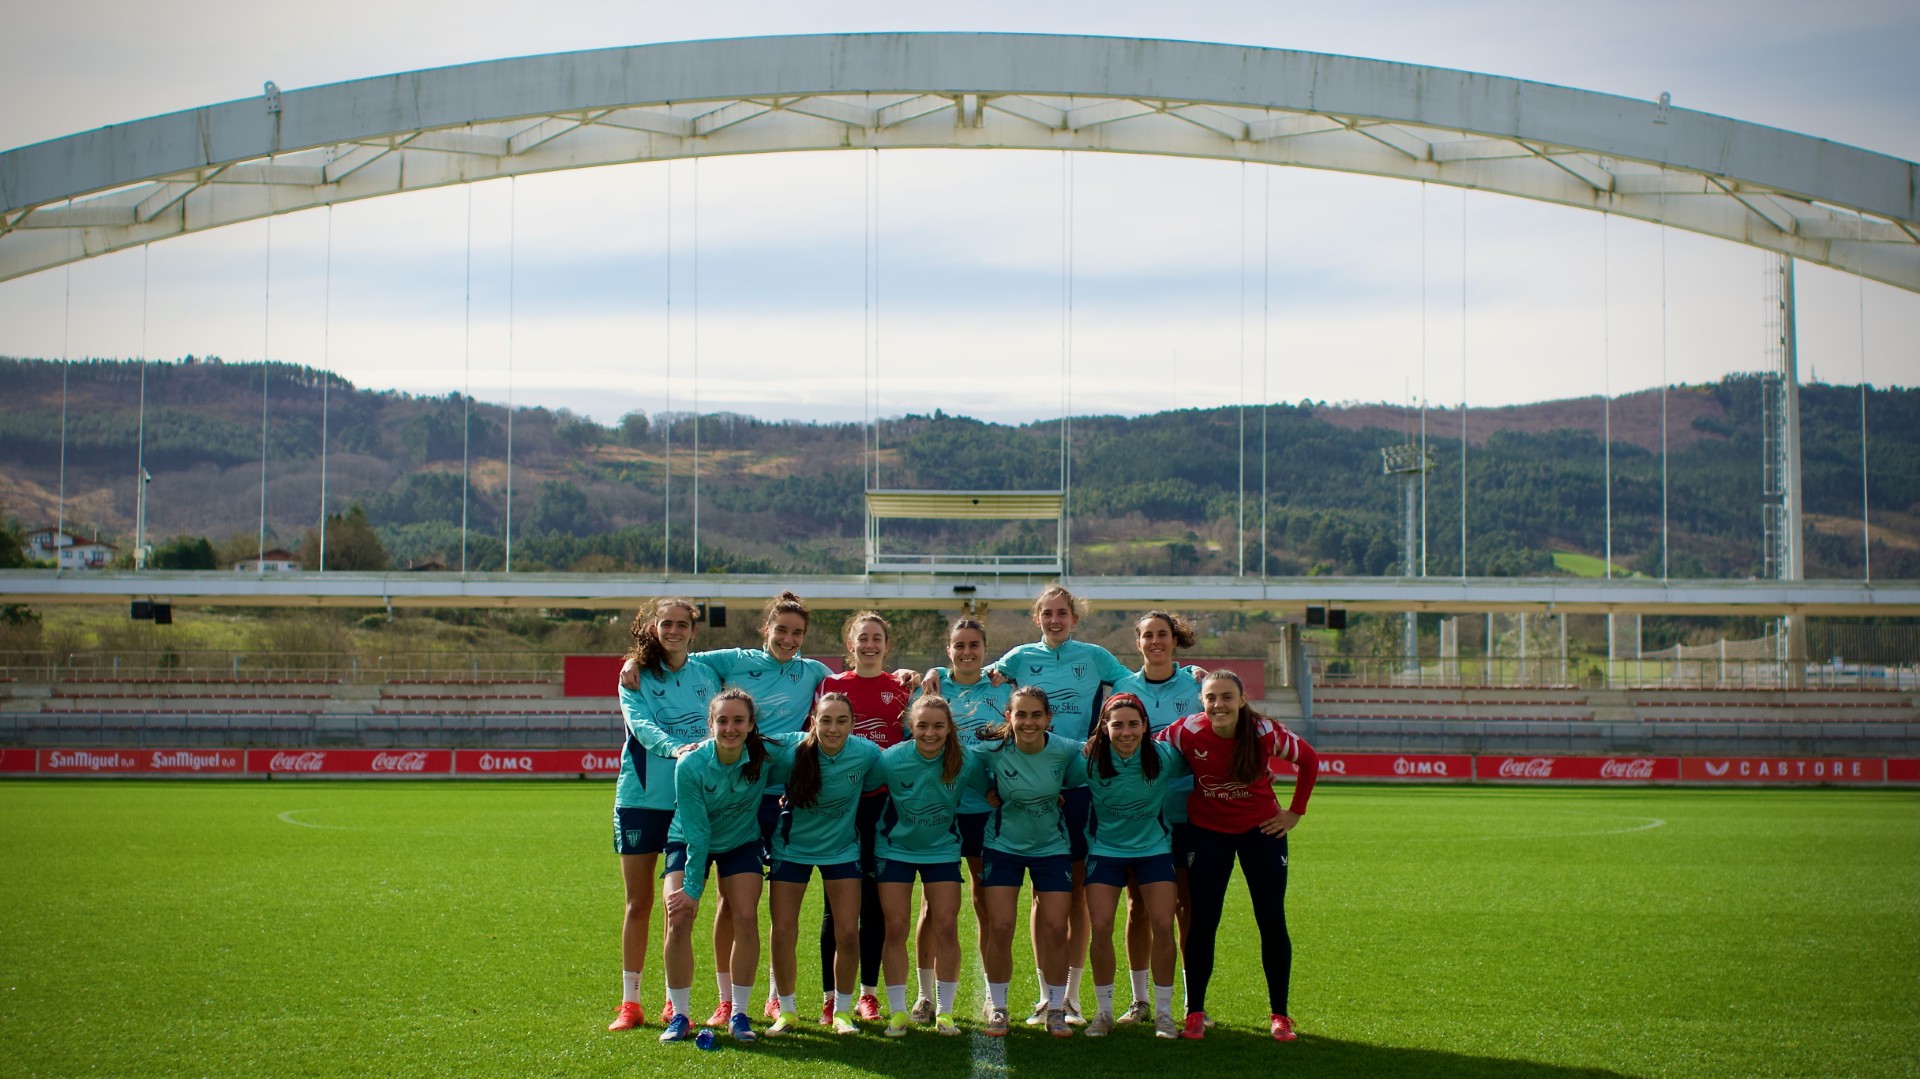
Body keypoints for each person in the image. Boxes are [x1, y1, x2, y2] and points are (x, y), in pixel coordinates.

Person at [983, 584, 1131, 1026]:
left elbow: (1129, 685)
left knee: (1076, 895)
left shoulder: (1095, 656)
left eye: (1062, 612)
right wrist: (931, 673)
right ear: (1037, 618)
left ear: (1074, 617)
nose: (1054, 619)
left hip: (1077, 779)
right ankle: (1044, 998)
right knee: (1038, 898)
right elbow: (979, 672)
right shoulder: (1019, 657)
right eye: (1046, 613)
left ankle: (1070, 996)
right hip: (1027, 779)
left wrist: (1190, 672)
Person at [1157, 669, 1319, 1042]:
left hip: (1261, 833)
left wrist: (1295, 812)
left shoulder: (1264, 732)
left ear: (1242, 700)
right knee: (1203, 921)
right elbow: (1146, 751)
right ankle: (1195, 1011)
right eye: (1211, 697)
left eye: (1227, 697)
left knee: (1271, 920)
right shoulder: (1185, 730)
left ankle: (1280, 1015)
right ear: (1202, 700)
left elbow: (1308, 760)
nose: (1219, 705)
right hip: (1207, 833)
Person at [609, 598, 719, 1032]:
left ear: (693, 631)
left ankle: (675, 1004)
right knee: (639, 904)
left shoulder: (707, 673)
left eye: (681, 625)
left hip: (686, 803)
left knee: (679, 906)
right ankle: (630, 1003)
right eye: (665, 624)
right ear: (652, 628)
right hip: (639, 799)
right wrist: (677, 748)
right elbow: (640, 725)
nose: (673, 631)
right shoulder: (635, 676)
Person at [658, 689, 792, 1044]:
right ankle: (680, 1014)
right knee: (679, 916)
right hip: (687, 841)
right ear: (710, 724)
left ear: (750, 726)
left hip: (741, 842)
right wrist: (691, 890)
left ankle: (739, 1013)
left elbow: (798, 740)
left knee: (746, 916)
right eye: (722, 720)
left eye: (738, 721)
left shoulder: (763, 755)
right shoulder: (691, 764)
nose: (730, 728)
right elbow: (698, 833)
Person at [1105, 610, 1205, 1024]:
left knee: (1186, 908)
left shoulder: (1197, 683)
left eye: (1162, 634)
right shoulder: (1124, 687)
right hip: (1140, 816)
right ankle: (1140, 1000)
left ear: (1174, 639)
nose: (1155, 642)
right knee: (1137, 909)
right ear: (1138, 642)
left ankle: (1189, 1003)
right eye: (1148, 636)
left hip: (1186, 812)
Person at [762, 692, 882, 1037]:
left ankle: (842, 1011)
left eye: (841, 720)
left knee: (847, 931)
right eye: (825, 720)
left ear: (853, 725)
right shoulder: (791, 751)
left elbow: (890, 775)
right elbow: (751, 764)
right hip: (791, 849)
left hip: (842, 850)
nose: (832, 728)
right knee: (783, 931)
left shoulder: (866, 754)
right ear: (813, 721)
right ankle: (786, 1011)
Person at [870, 696, 991, 1037]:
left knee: (946, 925)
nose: (930, 733)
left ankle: (945, 1011)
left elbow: (990, 791)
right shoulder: (890, 760)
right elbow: (860, 790)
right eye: (922, 725)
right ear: (911, 726)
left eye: (938, 726)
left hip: (941, 850)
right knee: (896, 927)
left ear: (949, 727)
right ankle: (897, 1012)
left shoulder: (965, 761)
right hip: (895, 849)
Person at [816, 611, 916, 1024]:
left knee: (874, 902)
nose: (870, 644)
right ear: (850, 644)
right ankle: (829, 996)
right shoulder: (831, 686)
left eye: (877, 638)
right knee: (835, 905)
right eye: (863, 638)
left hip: (882, 807)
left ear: (887, 645)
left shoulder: (902, 687)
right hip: (840, 805)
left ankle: (868, 994)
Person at [976, 686, 1088, 1038]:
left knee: (1057, 928)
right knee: (1001, 926)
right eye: (1020, 714)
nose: (1028, 722)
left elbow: (1086, 776)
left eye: (1036, 715)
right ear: (1008, 717)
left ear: (1048, 718)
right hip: (1002, 847)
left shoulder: (1066, 751)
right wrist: (986, 791)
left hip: (1052, 848)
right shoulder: (992, 751)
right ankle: (999, 1007)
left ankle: (1056, 1008)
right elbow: (961, 767)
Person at [915, 617, 1010, 1021]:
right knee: (933, 906)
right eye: (959, 646)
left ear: (985, 649)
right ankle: (924, 996)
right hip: (940, 810)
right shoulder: (935, 688)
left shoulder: (1001, 688)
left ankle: (993, 996)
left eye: (974, 645)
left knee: (986, 902)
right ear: (948, 649)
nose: (967, 652)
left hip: (985, 809)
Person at [1079, 693, 1188, 1040]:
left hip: (1154, 849)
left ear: (1144, 726)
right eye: (1117, 724)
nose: (1126, 732)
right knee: (1101, 926)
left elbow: (1211, 759)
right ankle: (1104, 1012)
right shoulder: (1087, 758)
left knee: (1161, 924)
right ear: (1105, 728)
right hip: (1105, 851)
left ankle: (1165, 1014)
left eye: (1133, 724)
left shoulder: (1165, 755)